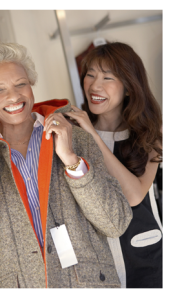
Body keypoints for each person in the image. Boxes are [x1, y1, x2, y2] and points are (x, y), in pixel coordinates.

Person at [0, 41, 132, 288]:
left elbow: (116, 222)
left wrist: (71, 160)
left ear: (31, 83)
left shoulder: (76, 139)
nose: (13, 96)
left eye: (20, 84)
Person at [64, 42, 162, 288]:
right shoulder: (72, 135)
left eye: (108, 77)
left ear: (129, 86)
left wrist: (93, 135)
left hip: (148, 259)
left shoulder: (152, 133)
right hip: (96, 264)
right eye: (90, 75)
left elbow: (134, 194)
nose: (95, 86)